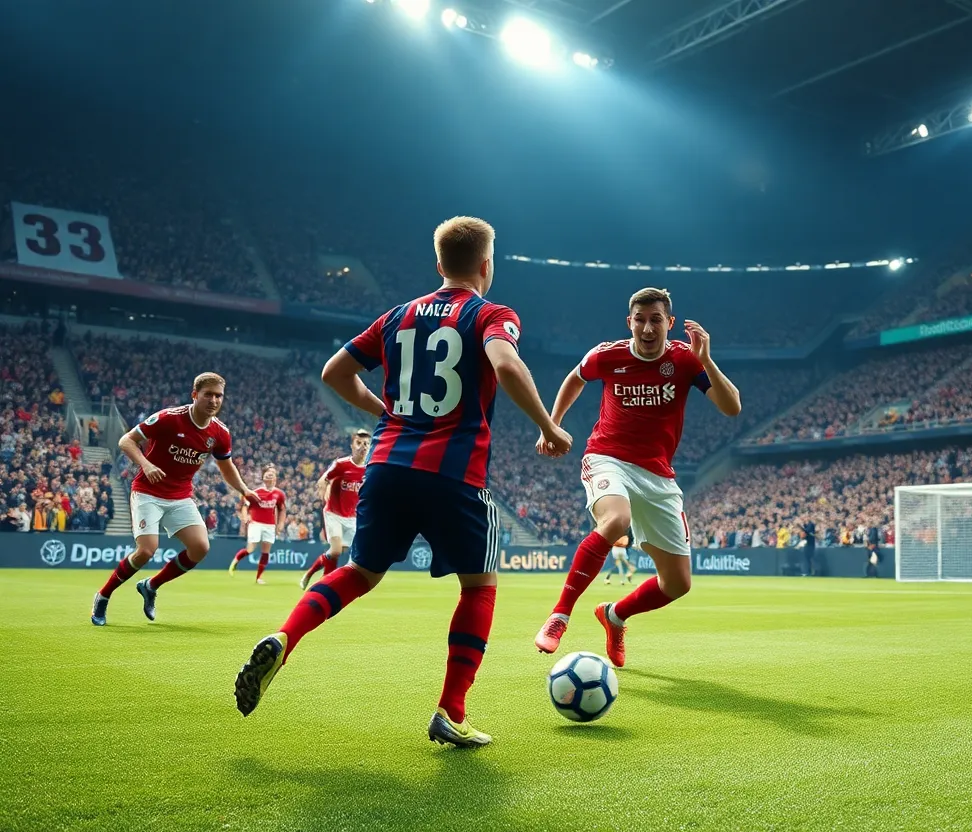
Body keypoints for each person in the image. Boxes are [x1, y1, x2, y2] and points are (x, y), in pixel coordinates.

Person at [233, 216, 572, 747]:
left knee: (360, 573)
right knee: (479, 586)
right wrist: (549, 426)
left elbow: (333, 373)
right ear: (487, 266)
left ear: (438, 265)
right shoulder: (491, 313)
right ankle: (450, 710)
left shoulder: (398, 316)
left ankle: (284, 637)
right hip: (454, 472)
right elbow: (505, 365)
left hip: (387, 465)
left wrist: (381, 408)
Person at [533, 287, 741, 668]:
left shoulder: (684, 360)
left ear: (670, 324)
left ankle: (614, 615)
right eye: (640, 320)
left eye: (656, 320)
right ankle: (560, 615)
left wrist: (706, 361)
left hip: (659, 476)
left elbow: (732, 407)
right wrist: (553, 424)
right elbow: (575, 378)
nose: (647, 328)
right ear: (629, 322)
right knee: (617, 520)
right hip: (607, 457)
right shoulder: (608, 355)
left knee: (677, 584)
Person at [90, 373, 257, 626]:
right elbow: (126, 440)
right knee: (146, 551)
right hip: (148, 492)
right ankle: (103, 596)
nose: (213, 400)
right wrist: (145, 464)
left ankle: (151, 585)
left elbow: (227, 466)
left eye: (218, 396)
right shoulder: (169, 418)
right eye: (208, 394)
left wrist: (244, 490)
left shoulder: (220, 433)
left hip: (180, 496)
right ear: (195, 395)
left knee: (200, 548)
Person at [300, 429, 371, 589]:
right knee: (337, 550)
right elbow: (323, 479)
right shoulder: (341, 464)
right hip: (333, 513)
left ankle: (310, 573)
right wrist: (323, 490)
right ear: (352, 445)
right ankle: (325, 586)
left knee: (335, 553)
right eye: (359, 443)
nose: (362, 447)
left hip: (352, 517)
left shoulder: (370, 469)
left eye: (366, 444)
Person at [228, 464, 288, 583]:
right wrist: (245, 517)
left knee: (266, 551)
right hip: (256, 523)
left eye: (273, 474)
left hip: (270, 525)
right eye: (268, 474)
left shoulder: (279, 494)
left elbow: (282, 509)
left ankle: (259, 577)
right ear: (263, 478)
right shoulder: (255, 493)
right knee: (250, 549)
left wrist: (280, 524)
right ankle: (235, 562)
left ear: (275, 478)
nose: (270, 477)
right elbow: (244, 506)